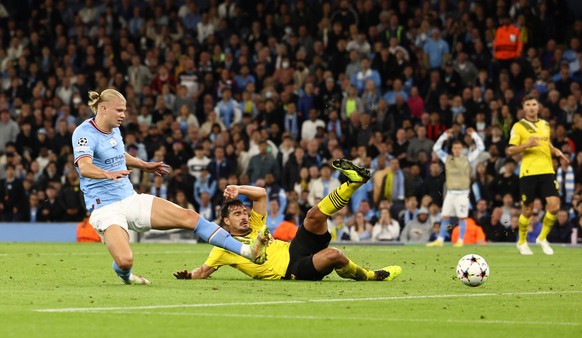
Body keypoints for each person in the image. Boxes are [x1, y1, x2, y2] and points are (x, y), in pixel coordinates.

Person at [72, 89, 269, 285]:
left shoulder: (114, 128)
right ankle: (126, 275)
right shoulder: (84, 133)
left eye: (124, 110)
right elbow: (85, 166)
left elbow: (119, 154)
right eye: (119, 110)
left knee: (189, 217)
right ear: (103, 108)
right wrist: (107, 173)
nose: (123, 115)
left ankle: (248, 252)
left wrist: (144, 165)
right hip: (106, 208)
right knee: (125, 261)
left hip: (130, 199)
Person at [173, 159, 402, 282]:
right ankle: (371, 276)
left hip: (295, 248)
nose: (244, 216)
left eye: (244, 211)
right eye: (237, 214)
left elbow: (261, 194)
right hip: (291, 270)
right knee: (334, 255)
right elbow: (202, 272)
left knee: (313, 215)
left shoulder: (254, 224)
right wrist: (188, 275)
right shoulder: (223, 246)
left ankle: (354, 182)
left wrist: (239, 189)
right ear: (225, 222)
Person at [506, 95, 570, 255]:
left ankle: (542, 238)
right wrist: (527, 144)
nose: (532, 107)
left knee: (554, 207)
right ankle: (521, 242)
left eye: (534, 104)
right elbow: (510, 150)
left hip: (547, 171)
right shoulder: (518, 126)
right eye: (528, 104)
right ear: (524, 108)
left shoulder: (545, 125)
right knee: (527, 210)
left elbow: (546, 143)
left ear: (538, 107)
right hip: (529, 172)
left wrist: (556, 151)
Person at [427, 127, 485, 247]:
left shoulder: (467, 158)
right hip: (450, 192)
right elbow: (436, 148)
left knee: (462, 218)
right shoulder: (447, 158)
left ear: (462, 149)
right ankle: (440, 240)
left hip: (463, 193)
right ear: (452, 149)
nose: (457, 150)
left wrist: (474, 135)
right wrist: (444, 136)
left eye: (459, 148)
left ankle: (460, 241)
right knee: (445, 216)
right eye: (455, 148)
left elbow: (481, 148)